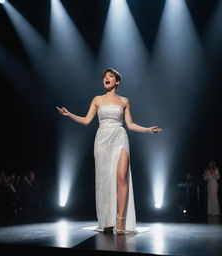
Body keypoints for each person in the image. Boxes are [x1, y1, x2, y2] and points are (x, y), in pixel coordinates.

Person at [56, 68, 162, 235]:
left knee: (122, 178)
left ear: (117, 81)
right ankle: (107, 220)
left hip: (120, 136)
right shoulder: (97, 99)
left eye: (110, 76)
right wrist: (68, 114)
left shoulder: (124, 101)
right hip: (102, 139)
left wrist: (148, 129)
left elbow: (131, 124)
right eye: (104, 77)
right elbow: (86, 120)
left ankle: (120, 222)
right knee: (105, 179)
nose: (106, 78)